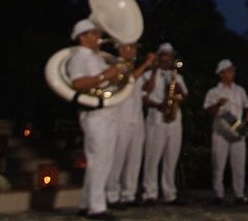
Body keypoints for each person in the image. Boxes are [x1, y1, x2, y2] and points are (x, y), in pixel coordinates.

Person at [67, 19, 127, 220]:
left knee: (103, 160)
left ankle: (86, 203)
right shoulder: (79, 58)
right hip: (95, 113)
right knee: (98, 160)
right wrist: (104, 76)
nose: (97, 37)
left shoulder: (97, 57)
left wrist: (117, 72)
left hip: (107, 111)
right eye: (93, 33)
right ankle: (97, 207)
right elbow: (77, 83)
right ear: (82, 37)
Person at [105, 43, 156, 209]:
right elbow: (128, 80)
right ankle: (112, 195)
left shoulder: (134, 68)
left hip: (137, 117)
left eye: (135, 48)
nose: (134, 51)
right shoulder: (115, 65)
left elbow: (147, 90)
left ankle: (129, 194)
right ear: (120, 49)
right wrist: (146, 64)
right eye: (131, 48)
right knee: (118, 158)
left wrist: (153, 70)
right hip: (121, 117)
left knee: (135, 158)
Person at [141, 42, 188, 205]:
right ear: (159, 56)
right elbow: (144, 96)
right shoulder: (147, 74)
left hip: (174, 121)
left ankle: (170, 194)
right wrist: (154, 70)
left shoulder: (177, 76)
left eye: (169, 55)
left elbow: (184, 97)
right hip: (156, 120)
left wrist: (178, 89)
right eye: (164, 55)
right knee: (152, 158)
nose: (167, 58)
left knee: (171, 159)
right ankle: (150, 194)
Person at [203, 59, 248, 205]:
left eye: (233, 70)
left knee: (239, 166)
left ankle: (239, 194)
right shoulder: (214, 92)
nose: (232, 73)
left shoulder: (240, 90)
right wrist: (218, 104)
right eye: (229, 71)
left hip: (238, 131)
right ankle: (218, 195)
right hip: (220, 132)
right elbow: (208, 111)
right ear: (221, 73)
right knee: (218, 165)